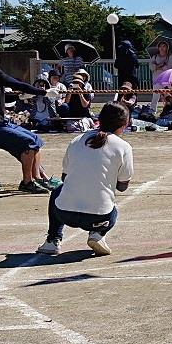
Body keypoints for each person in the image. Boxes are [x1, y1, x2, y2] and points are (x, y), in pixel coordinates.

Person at [36, 102, 133, 256]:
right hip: (99, 217)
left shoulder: (77, 140)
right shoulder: (124, 147)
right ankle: (97, 234)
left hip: (64, 213)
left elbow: (65, 177)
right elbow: (122, 186)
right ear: (125, 124)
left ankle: (52, 241)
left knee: (57, 191)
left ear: (99, 119)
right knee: (112, 206)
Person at [0, 65, 59, 193]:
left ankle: (39, 178)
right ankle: (27, 182)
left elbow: (5, 93)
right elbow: (15, 84)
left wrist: (19, 97)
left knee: (35, 139)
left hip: (2, 122)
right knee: (28, 142)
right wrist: (44, 92)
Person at [149, 41, 172, 112]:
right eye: (160, 46)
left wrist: (164, 67)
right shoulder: (154, 57)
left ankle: (168, 110)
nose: (162, 48)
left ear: (167, 48)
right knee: (155, 96)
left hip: (167, 80)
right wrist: (158, 66)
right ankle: (152, 111)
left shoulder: (170, 57)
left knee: (168, 96)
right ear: (158, 48)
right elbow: (151, 67)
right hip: (157, 80)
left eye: (164, 46)